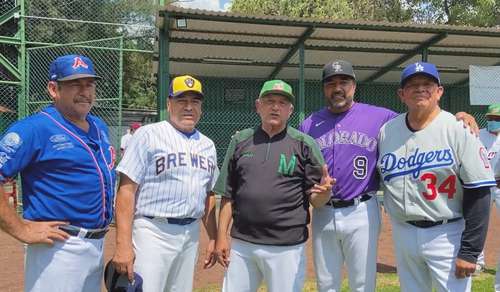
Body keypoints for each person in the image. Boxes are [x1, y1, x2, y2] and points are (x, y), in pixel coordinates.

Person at [299, 60, 480, 292]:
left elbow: (421, 117)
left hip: (361, 209)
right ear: (324, 88)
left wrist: (459, 116)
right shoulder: (309, 124)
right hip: (324, 211)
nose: (337, 88)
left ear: (354, 86)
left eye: (344, 82)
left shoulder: (380, 117)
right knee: (326, 283)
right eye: (331, 83)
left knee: (363, 283)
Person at [0, 54, 116, 291]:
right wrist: (21, 229)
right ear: (54, 89)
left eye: (89, 84)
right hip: (58, 248)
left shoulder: (99, 126)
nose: (85, 91)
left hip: (97, 244)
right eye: (75, 84)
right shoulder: (34, 128)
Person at [377, 62, 495, 292]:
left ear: (439, 91)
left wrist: (470, 252)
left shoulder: (459, 129)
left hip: (447, 233)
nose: (420, 89)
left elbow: (480, 193)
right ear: (402, 94)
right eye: (412, 85)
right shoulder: (387, 131)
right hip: (403, 231)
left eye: (427, 84)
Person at [214, 79, 333, 292]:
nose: (275, 107)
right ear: (258, 106)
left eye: (282, 102)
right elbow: (228, 195)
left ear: (290, 110)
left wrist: (324, 194)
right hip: (243, 244)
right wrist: (221, 237)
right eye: (269, 101)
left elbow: (316, 198)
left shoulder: (304, 144)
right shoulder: (240, 140)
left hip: (286, 247)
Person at [111, 75, 219, 292]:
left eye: (195, 102)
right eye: (182, 100)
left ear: (201, 107)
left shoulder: (208, 145)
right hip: (153, 230)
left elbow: (208, 195)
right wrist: (122, 244)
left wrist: (214, 237)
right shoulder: (147, 135)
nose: (189, 107)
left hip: (190, 233)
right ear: (169, 104)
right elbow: (126, 191)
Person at [476, 104, 500, 287]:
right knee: (477, 223)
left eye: (497, 118)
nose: (493, 121)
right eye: (490, 118)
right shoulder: (478, 134)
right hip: (482, 184)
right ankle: (478, 261)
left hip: (499, 185)